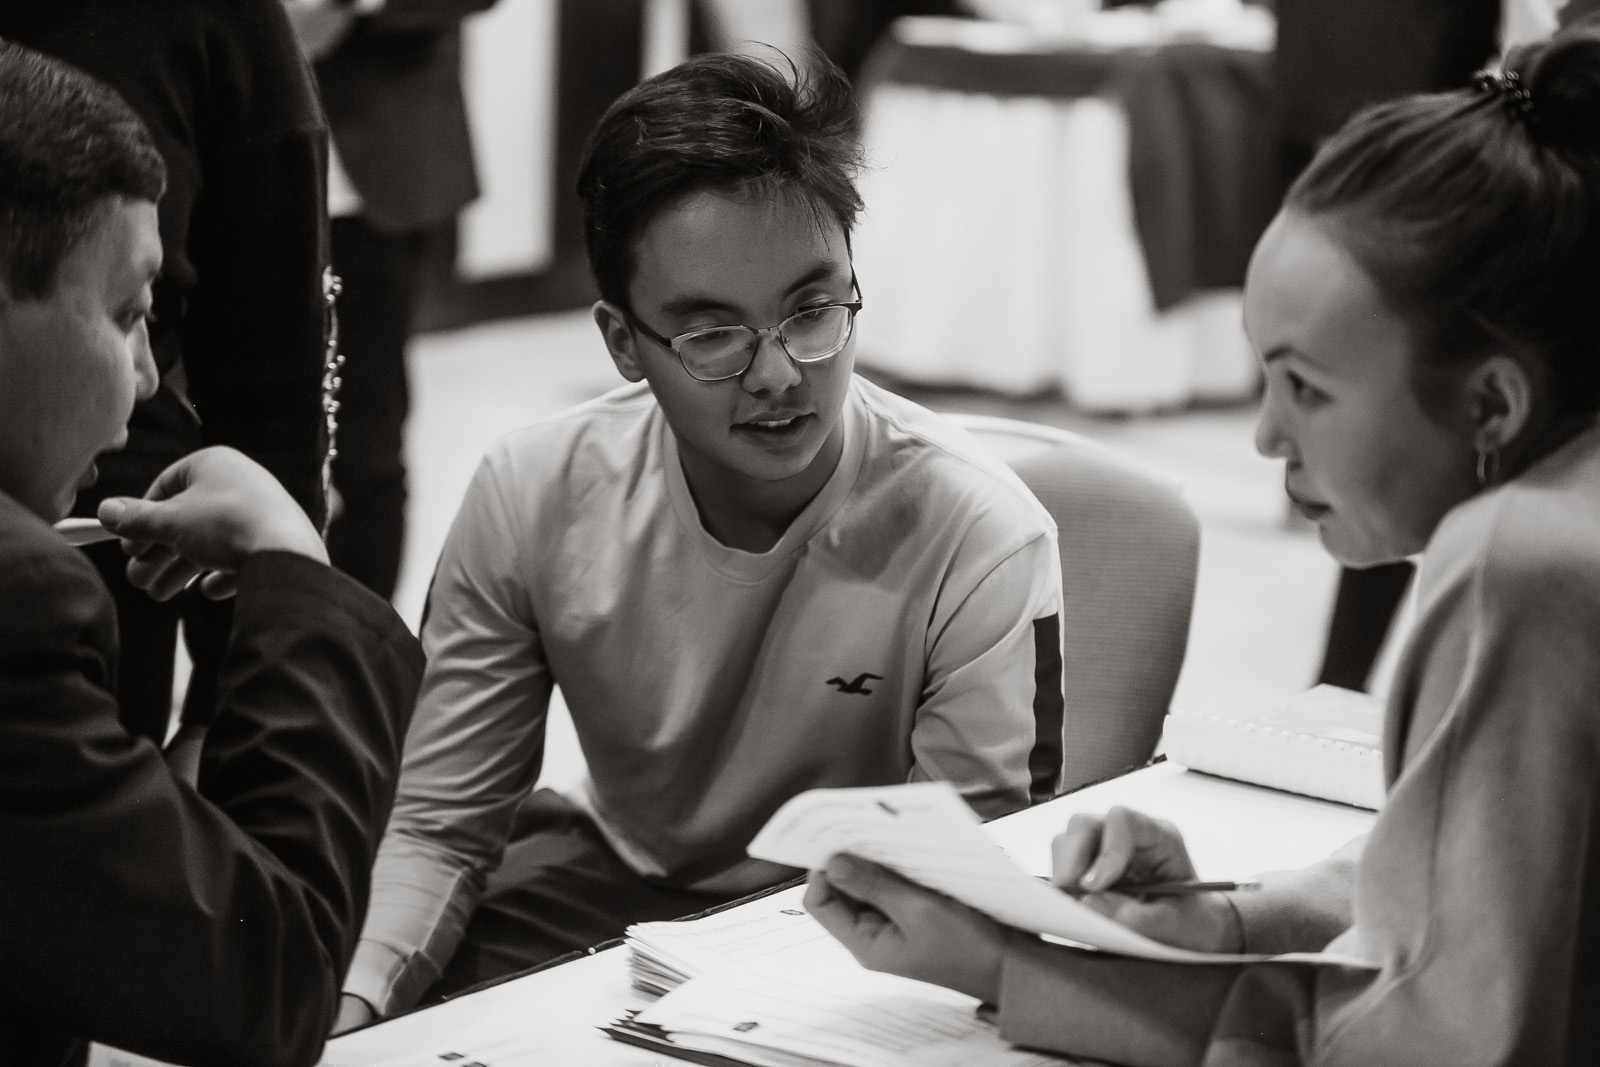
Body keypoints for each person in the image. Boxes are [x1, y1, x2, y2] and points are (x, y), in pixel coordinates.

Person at [806, 19, 1600, 1067]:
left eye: (1306, 387)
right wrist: (1227, 920)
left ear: (1491, 403)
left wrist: (1012, 969)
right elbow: (1472, 887)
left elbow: (1425, 1041)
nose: (1266, 436)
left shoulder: (1522, 557)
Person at [339, 51, 1064, 1028]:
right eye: (712, 333)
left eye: (813, 310)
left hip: (852, 919)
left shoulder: (978, 533)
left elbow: (970, 877)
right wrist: (356, 1006)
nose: (778, 374)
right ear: (622, 342)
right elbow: (437, 823)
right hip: (613, 871)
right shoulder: (533, 490)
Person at [0, 45, 421, 1067]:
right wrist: (292, 564)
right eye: (129, 313)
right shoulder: (20, 597)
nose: (148, 378)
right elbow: (271, 981)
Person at [0, 0, 335, 745]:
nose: (148, 371)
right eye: (129, 314)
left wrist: (224, 708)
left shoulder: (213, 23)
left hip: (111, 532)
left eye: (140, 313)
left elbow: (273, 388)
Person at [286, 0, 497, 600]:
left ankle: (362, 635)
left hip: (371, 178)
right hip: (234, 169)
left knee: (366, 436)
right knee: (232, 427)